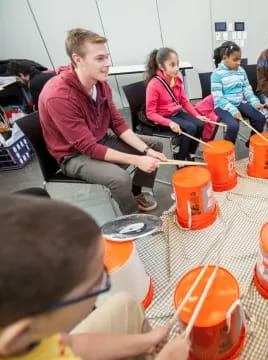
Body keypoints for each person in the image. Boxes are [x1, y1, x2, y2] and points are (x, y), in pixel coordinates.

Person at [0, 194, 190, 360]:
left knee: (125, 303)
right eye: (96, 284)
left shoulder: (29, 329)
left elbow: (70, 345)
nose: (104, 282)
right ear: (20, 334)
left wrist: (144, 341)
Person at [38, 28, 167, 215]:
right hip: (74, 155)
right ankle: (134, 220)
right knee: (120, 178)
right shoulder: (58, 95)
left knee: (154, 145)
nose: (107, 64)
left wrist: (146, 151)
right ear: (78, 59)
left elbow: (118, 124)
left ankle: (136, 193)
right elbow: (88, 148)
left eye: (106, 57)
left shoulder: (100, 83)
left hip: (98, 140)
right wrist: (138, 159)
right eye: (100, 59)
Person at [145, 48, 207, 161]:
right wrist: (169, 123)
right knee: (190, 128)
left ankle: (190, 152)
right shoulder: (154, 85)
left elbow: (184, 101)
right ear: (161, 67)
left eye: (177, 64)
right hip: (162, 118)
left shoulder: (176, 79)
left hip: (176, 113)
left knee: (200, 124)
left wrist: (196, 115)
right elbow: (150, 114)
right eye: (172, 65)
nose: (177, 68)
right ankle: (180, 157)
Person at [211, 41, 267, 145]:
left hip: (239, 102)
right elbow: (218, 98)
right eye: (235, 59)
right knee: (233, 126)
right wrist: (233, 110)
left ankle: (251, 143)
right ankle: (228, 150)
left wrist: (255, 103)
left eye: (239, 59)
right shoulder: (217, 74)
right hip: (223, 105)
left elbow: (247, 89)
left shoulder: (241, 71)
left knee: (261, 118)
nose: (239, 62)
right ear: (224, 58)